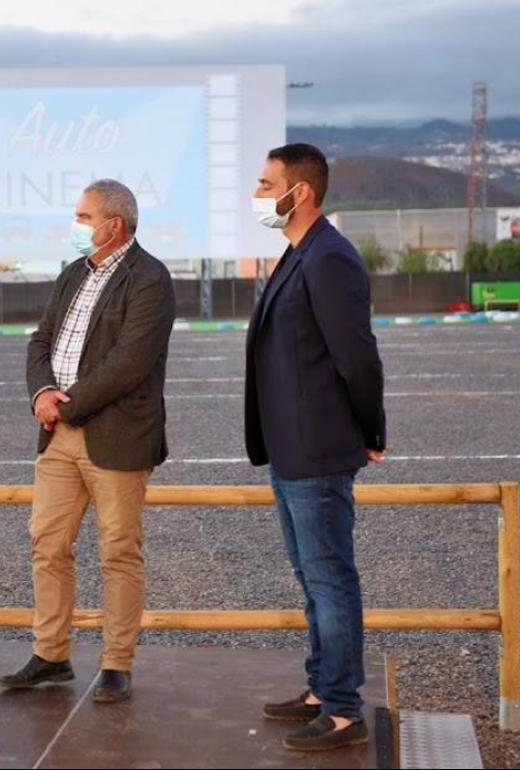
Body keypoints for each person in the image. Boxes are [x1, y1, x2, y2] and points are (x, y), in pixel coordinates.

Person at [0, 180, 174, 704]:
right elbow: (40, 341)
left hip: (117, 437)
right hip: (58, 437)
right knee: (47, 544)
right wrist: (42, 393)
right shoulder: (72, 274)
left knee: (119, 551)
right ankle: (51, 654)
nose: (75, 225)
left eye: (82, 216)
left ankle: (117, 662)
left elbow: (129, 363)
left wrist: (65, 401)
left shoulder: (150, 279)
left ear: (114, 225)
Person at [245, 143, 386, 751]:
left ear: (298, 192)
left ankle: (343, 708)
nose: (257, 193)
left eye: (264, 182)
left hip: (319, 447)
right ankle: (322, 687)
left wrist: (371, 429)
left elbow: (356, 357)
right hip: (289, 447)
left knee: (330, 579)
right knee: (312, 578)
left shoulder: (329, 258)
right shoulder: (297, 254)